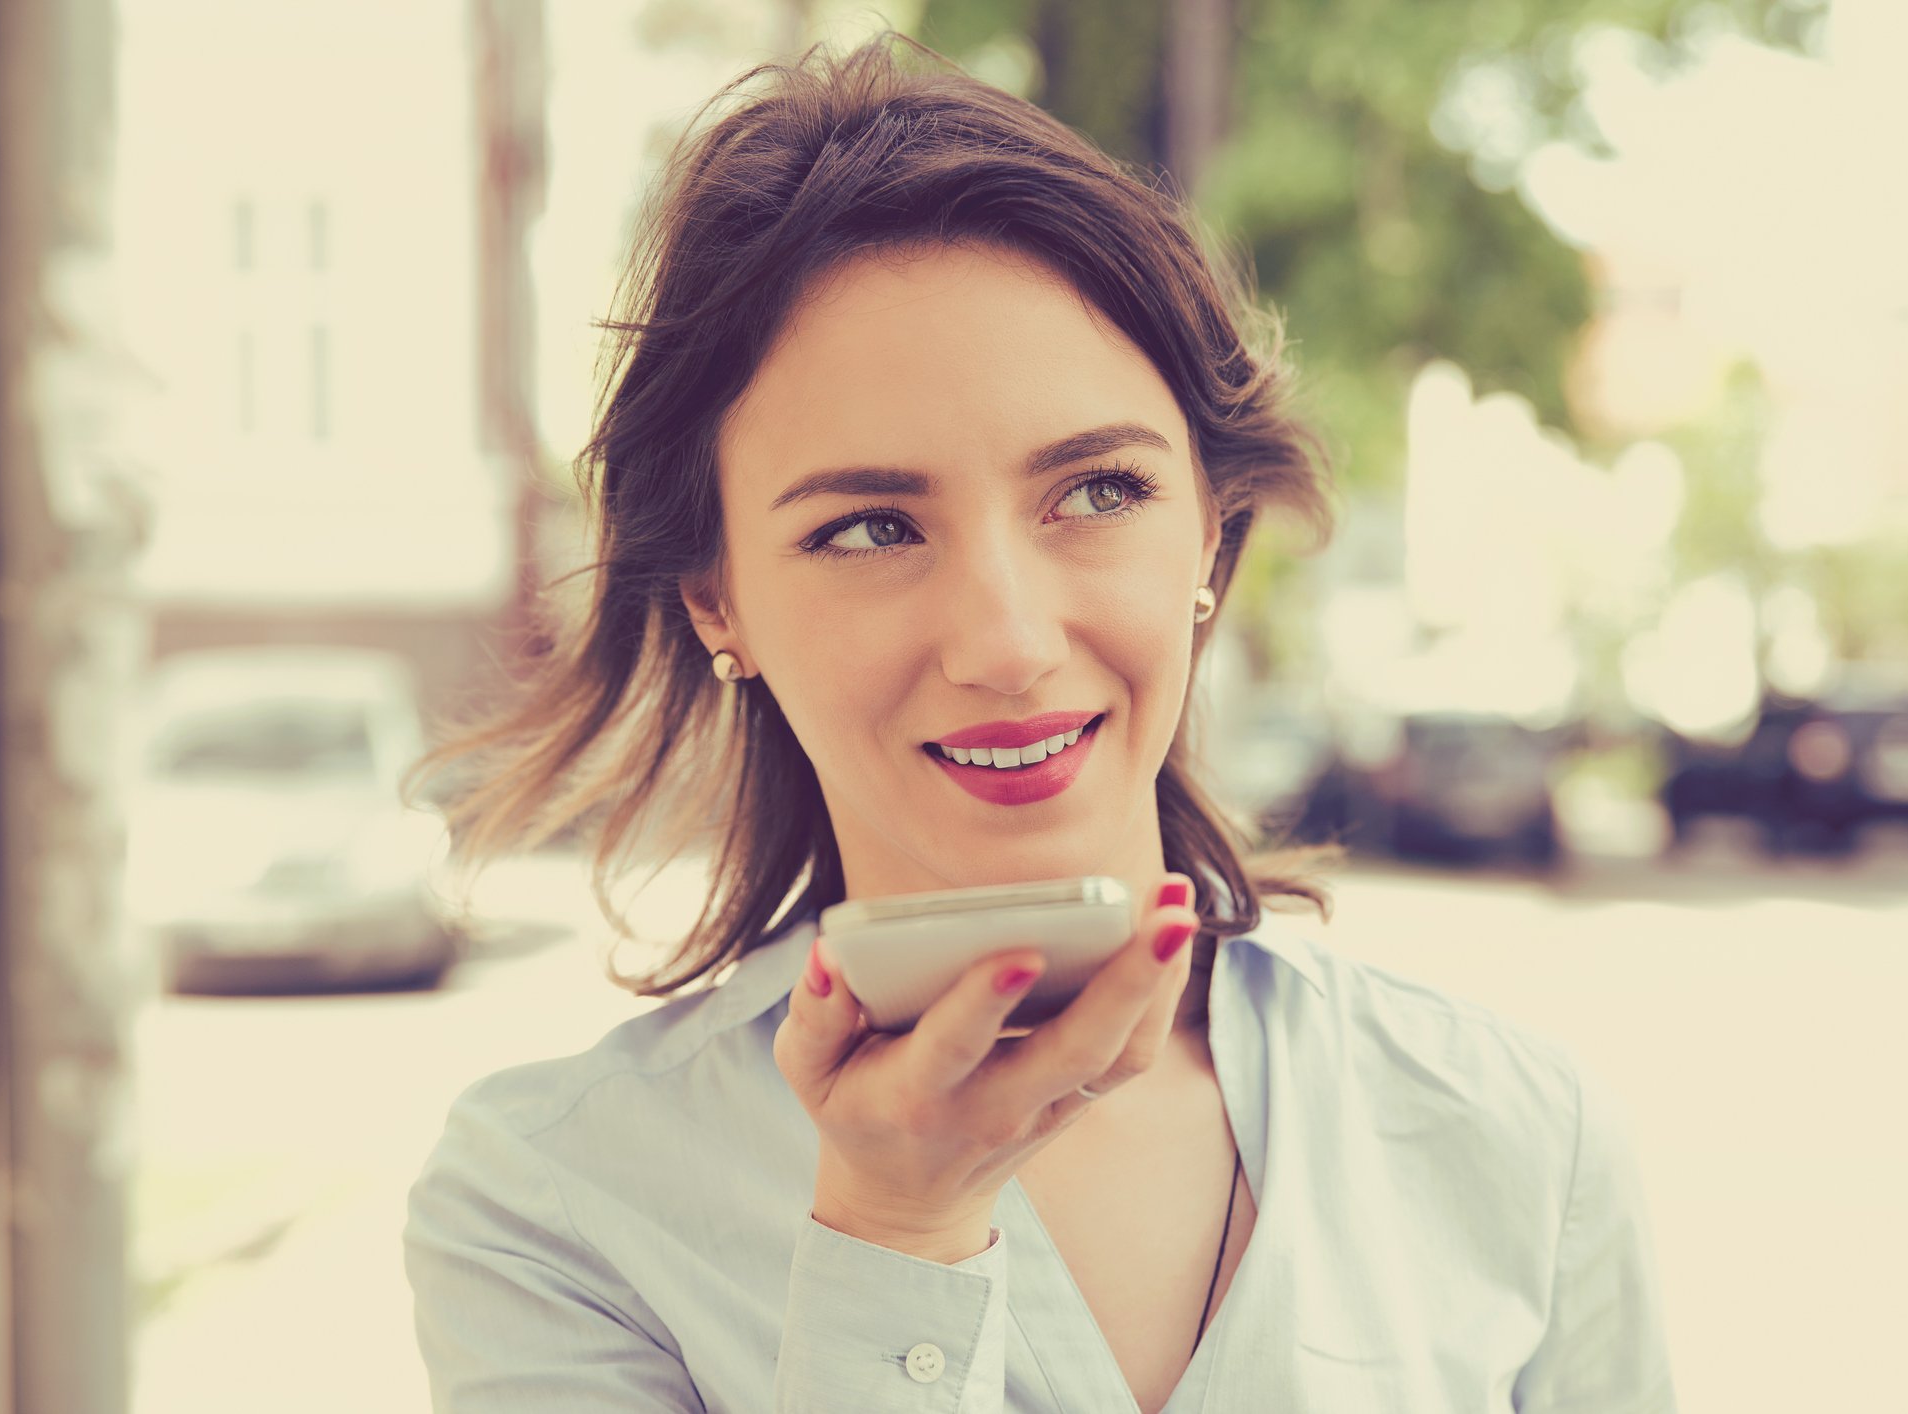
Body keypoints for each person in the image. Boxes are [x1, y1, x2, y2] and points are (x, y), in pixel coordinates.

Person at [400, 32, 1676, 1414]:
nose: (1006, 641)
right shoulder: (552, 1205)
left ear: (1210, 525)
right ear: (720, 603)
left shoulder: (1511, 1135)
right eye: (870, 526)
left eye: (1096, 492)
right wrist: (893, 1239)